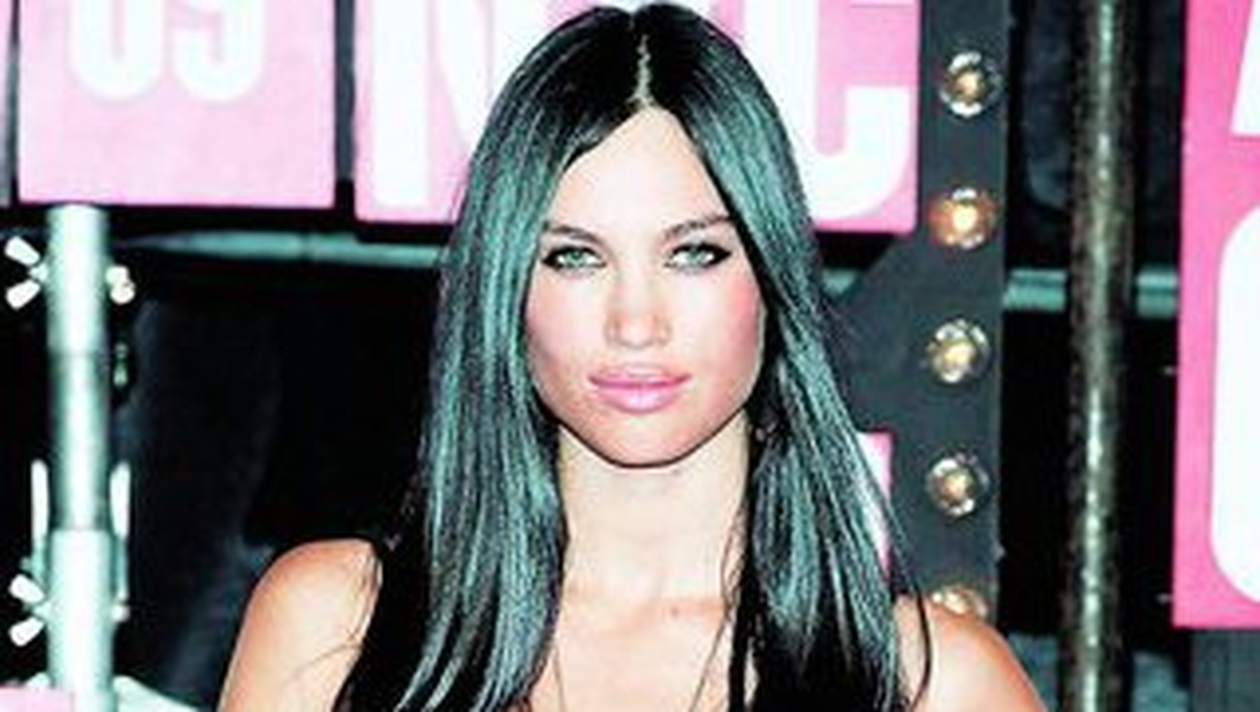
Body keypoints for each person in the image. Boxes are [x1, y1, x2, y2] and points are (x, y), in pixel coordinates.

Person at [218, 4, 1045, 710]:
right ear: (506, 289)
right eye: (575, 257)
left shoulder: (935, 685)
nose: (635, 323)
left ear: (770, 276)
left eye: (694, 254)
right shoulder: (333, 631)